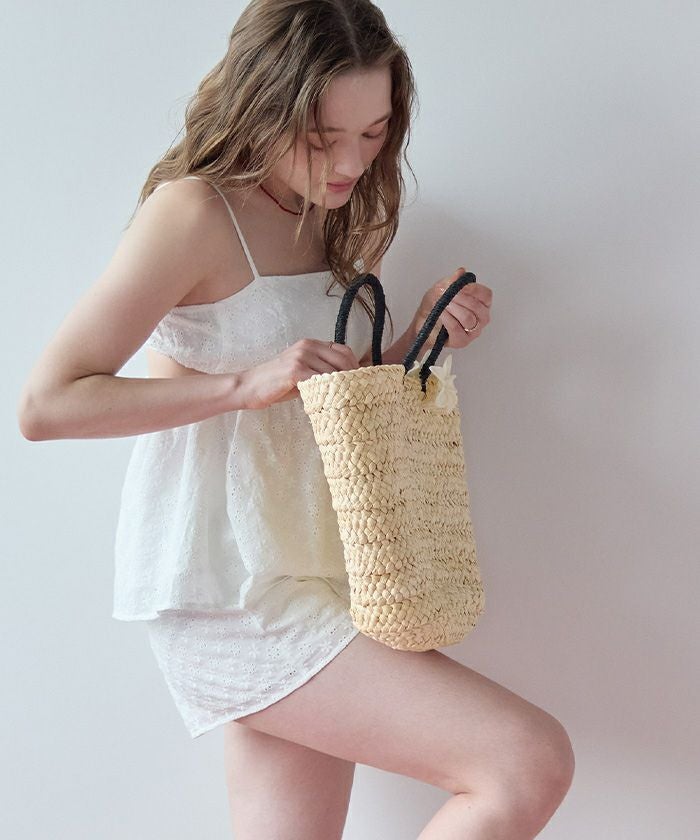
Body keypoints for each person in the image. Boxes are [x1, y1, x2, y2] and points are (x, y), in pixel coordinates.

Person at [16, 1, 574, 837]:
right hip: (229, 589)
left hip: (317, 570)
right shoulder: (194, 213)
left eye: (374, 134)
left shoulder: (335, 214)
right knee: (526, 761)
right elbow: (48, 403)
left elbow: (327, 408)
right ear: (262, 105)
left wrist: (422, 336)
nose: (350, 161)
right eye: (322, 138)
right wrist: (244, 384)